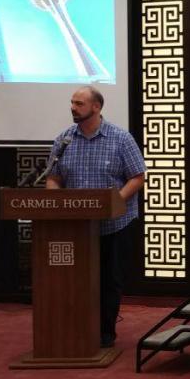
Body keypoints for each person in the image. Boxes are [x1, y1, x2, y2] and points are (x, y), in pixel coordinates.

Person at [45, 86, 146, 347]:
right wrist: (54, 203)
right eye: (72, 102)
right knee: (76, 279)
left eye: (79, 103)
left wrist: (114, 202)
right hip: (76, 227)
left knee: (109, 280)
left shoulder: (120, 138)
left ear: (96, 107)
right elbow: (54, 178)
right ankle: (77, 327)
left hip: (115, 224)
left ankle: (105, 334)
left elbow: (138, 177)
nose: (73, 107)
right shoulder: (64, 140)